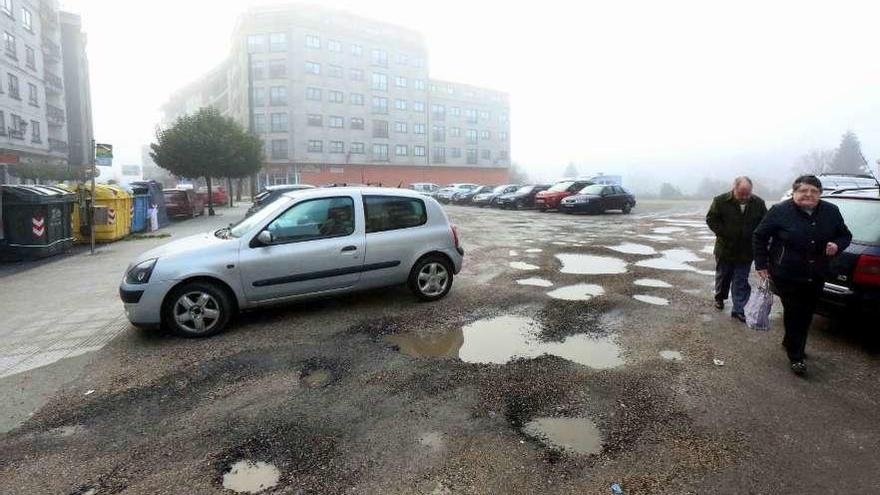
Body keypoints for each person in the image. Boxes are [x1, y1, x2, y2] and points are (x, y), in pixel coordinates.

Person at [753, 175, 852, 375]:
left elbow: (845, 235)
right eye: (803, 191)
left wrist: (837, 245)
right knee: (795, 310)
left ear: (820, 194)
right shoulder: (780, 211)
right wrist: (761, 264)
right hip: (786, 273)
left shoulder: (831, 211)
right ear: (794, 192)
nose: (809, 195)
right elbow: (759, 236)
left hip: (817, 272)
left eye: (814, 191)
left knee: (807, 311)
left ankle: (791, 341)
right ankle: (796, 356)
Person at [705, 176, 768, 322]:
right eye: (742, 193)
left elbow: (765, 223)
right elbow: (711, 219)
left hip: (746, 250)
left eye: (748, 193)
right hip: (725, 247)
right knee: (723, 275)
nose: (745, 197)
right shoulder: (720, 201)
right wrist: (724, 232)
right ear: (734, 188)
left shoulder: (758, 203)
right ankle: (720, 298)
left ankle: (739, 309)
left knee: (741, 279)